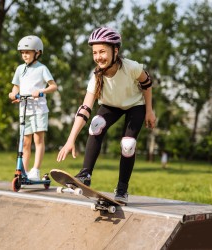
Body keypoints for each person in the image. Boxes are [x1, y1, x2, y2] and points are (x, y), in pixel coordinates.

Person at [57, 27, 156, 203]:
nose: (98, 57)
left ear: (115, 51)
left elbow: (147, 84)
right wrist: (70, 140)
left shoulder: (131, 67)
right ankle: (85, 174)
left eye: (102, 51)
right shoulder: (96, 77)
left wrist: (149, 110)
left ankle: (122, 189)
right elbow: (84, 109)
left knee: (128, 144)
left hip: (135, 105)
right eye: (95, 52)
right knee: (96, 124)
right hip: (111, 106)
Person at [9, 35, 57, 181]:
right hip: (25, 109)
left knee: (38, 140)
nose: (25, 55)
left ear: (37, 52)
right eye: (23, 52)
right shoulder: (19, 69)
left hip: (39, 109)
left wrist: (41, 91)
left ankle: (35, 170)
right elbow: (16, 87)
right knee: (25, 142)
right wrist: (13, 95)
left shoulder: (42, 68)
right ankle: (23, 172)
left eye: (28, 52)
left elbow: (54, 86)